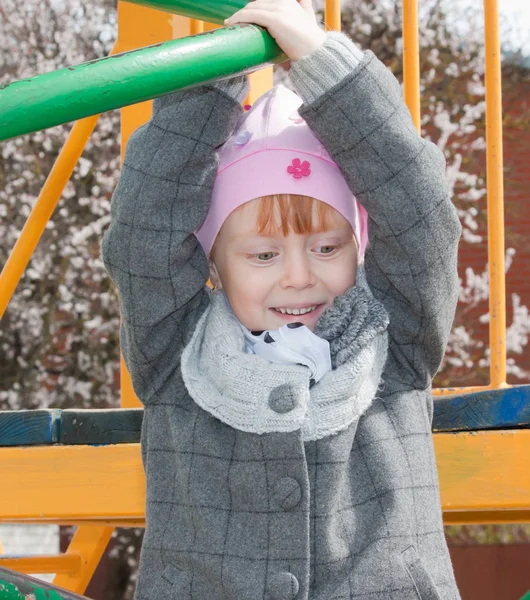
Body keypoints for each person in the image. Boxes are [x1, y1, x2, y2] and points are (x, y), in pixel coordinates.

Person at [101, 1, 463, 598]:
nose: (298, 277)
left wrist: (324, 64)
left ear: (359, 246)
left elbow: (422, 220)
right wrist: (213, 79)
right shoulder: (179, 353)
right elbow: (144, 231)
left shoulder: (393, 342)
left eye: (326, 248)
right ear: (212, 259)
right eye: (263, 255)